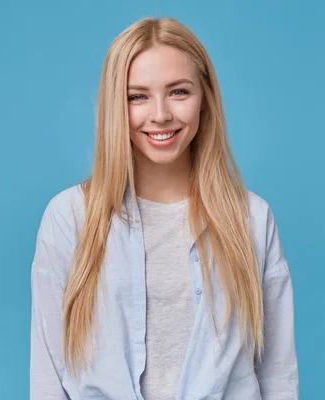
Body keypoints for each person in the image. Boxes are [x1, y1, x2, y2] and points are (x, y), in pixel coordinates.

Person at [30, 16, 298, 400]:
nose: (160, 114)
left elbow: (278, 374)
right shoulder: (70, 217)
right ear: (115, 107)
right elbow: (47, 375)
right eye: (137, 96)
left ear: (205, 97)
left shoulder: (252, 219)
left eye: (178, 92)